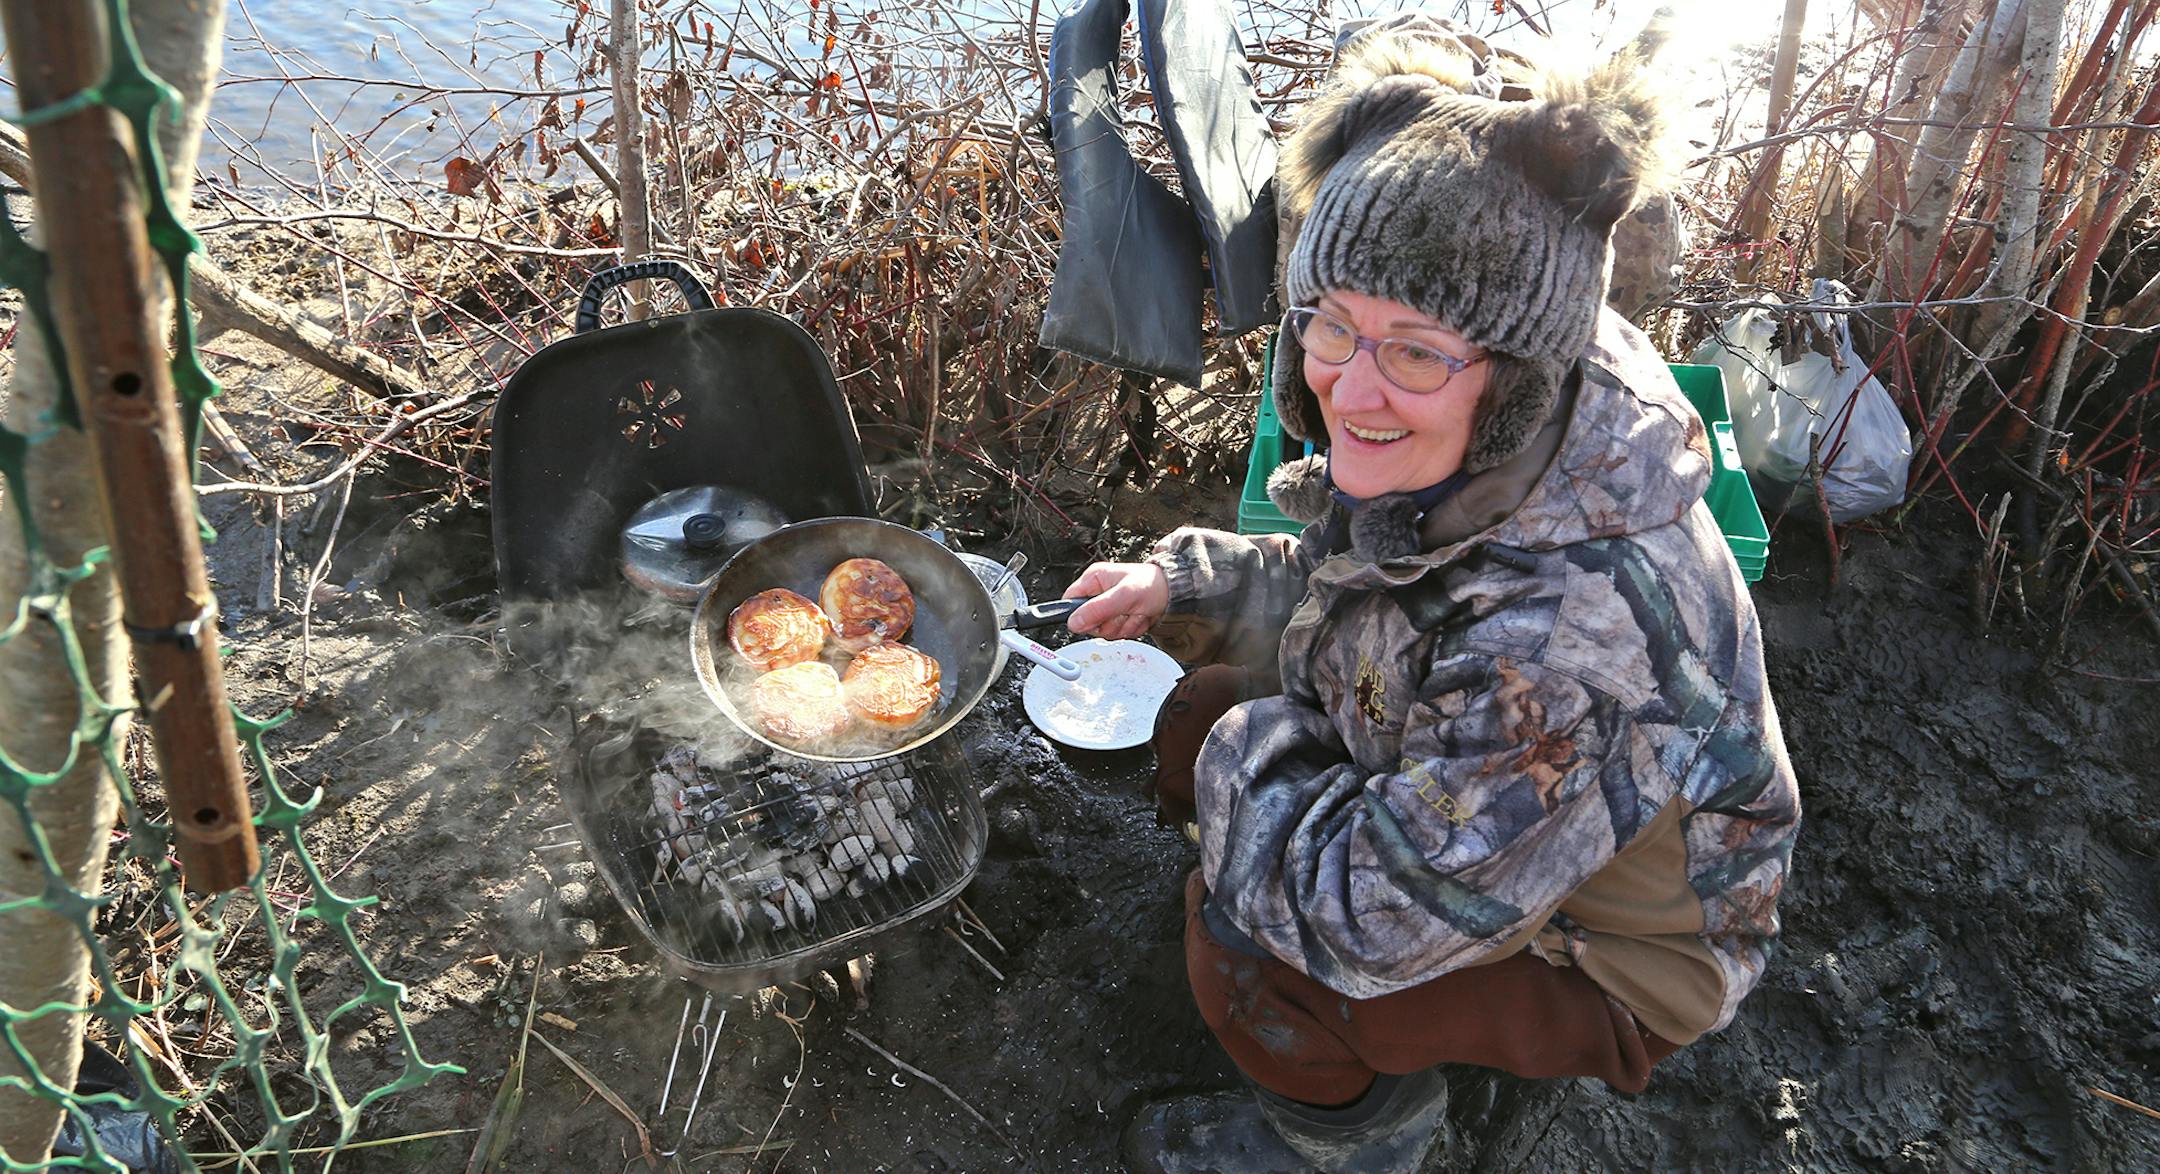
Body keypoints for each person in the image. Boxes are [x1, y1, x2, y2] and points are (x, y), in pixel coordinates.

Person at [1060, 20, 1801, 1174]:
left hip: (1619, 946)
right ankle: (1290, 931)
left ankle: (1361, 1140)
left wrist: (1244, 786)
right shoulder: (1497, 430)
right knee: (1200, 708)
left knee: (1240, 950)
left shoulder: (1564, 644)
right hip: (1488, 787)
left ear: (1514, 376)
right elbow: (1362, 569)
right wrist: (1187, 578)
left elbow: (1366, 920)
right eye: (1333, 324)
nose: (1351, 387)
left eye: (1412, 352)